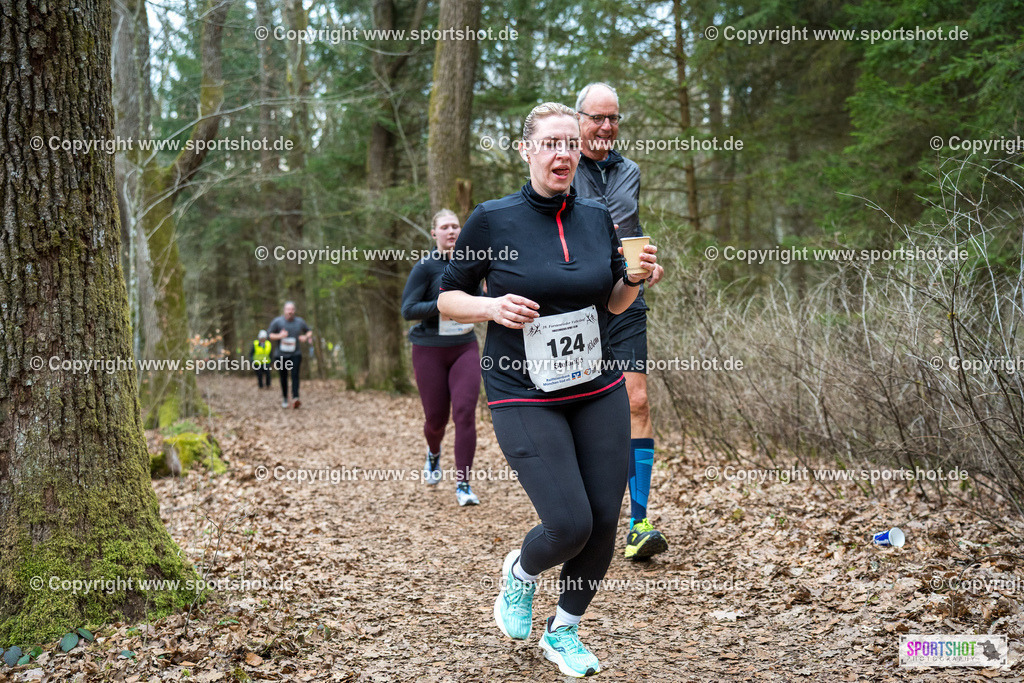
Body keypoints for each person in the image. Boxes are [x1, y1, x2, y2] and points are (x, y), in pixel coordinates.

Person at [438, 102, 659, 678]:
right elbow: (447, 298)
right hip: (522, 389)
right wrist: (490, 306)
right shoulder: (492, 219)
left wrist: (633, 281)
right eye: (551, 144)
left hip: (596, 383)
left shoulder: (595, 218)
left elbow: (612, 302)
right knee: (569, 522)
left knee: (605, 519)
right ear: (527, 150)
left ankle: (564, 631)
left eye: (570, 144)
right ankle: (521, 573)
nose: (563, 155)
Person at [572, 82, 668, 561]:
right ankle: (580, 514)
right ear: (579, 119)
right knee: (582, 402)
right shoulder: (562, 166)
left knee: (638, 398)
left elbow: (629, 228)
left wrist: (646, 260)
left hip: (627, 298)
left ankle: (639, 521)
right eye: (597, 118)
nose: (606, 127)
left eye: (613, 119)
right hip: (577, 304)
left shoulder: (630, 170)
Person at [401, 209, 483, 506]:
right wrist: (443, 304)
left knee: (464, 413)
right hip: (429, 349)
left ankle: (463, 485)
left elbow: (479, 299)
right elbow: (408, 309)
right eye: (445, 227)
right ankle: (433, 453)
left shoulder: (470, 264)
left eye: (456, 227)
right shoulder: (425, 267)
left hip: (464, 346)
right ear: (433, 233)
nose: (451, 231)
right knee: (436, 420)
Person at [268, 301, 311, 408]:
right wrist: (280, 336)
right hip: (281, 355)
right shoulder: (277, 322)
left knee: (295, 375)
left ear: (294, 310)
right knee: (283, 377)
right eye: (288, 309)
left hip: (295, 354)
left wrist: (305, 337)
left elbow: (309, 331)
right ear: (284, 310)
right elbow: (269, 335)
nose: (290, 312)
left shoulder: (300, 322)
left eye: (292, 309)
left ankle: (295, 397)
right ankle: (285, 398)